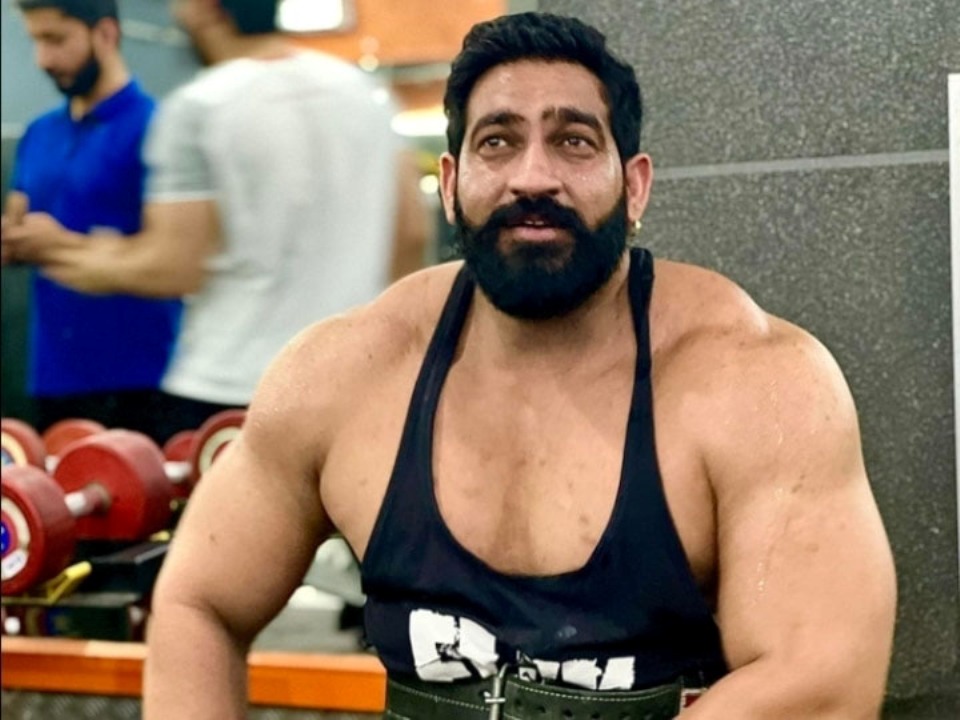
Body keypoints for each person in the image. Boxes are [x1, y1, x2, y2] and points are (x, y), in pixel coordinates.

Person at [48, 10, 904, 718]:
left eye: (574, 142)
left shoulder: (754, 381)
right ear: (454, 183)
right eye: (498, 142)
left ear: (635, 185)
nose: (533, 176)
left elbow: (822, 681)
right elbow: (198, 602)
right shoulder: (344, 376)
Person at [2, 0, 431, 443]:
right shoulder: (365, 93)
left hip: (228, 391)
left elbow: (169, 265)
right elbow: (412, 235)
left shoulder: (200, 107)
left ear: (206, 7)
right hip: (350, 387)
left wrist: (56, 252)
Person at [1, 0, 182, 442]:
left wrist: (60, 244)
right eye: (36, 41)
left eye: (56, 40)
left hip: (141, 378)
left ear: (105, 34)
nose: (43, 59)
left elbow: (176, 256)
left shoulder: (159, 128)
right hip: (54, 377)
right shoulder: (39, 134)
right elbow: (19, 221)